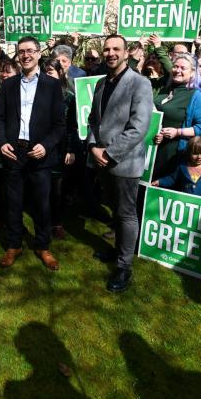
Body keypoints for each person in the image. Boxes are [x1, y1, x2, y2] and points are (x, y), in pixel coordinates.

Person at [86, 34, 154, 292]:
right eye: (107, 49)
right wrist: (93, 146)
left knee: (126, 214)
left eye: (116, 49)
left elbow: (139, 127)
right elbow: (94, 119)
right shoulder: (102, 83)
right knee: (115, 210)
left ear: (127, 53)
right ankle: (117, 252)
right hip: (101, 159)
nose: (111, 53)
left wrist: (109, 153)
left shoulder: (140, 83)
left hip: (124, 161)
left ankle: (124, 267)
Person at [0, 36, 66, 271]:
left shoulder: (52, 85)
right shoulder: (9, 84)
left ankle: (43, 246)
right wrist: (2, 142)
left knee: (41, 204)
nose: (25, 55)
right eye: (21, 51)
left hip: (40, 154)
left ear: (39, 53)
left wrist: (46, 145)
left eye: (30, 51)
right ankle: (14, 244)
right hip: (14, 153)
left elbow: (59, 124)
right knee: (13, 203)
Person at [152, 53, 201, 178]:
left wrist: (178, 132)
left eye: (183, 68)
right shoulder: (164, 90)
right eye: (175, 66)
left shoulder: (196, 96)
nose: (177, 70)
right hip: (153, 151)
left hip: (175, 156)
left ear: (192, 72)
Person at [39, 57, 79, 240]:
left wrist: (71, 149)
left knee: (57, 189)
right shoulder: (36, 94)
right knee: (41, 187)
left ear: (60, 73)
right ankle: (42, 221)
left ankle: (57, 223)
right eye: (44, 72)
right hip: (40, 147)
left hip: (60, 148)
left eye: (50, 72)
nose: (46, 76)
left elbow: (72, 126)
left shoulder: (69, 97)